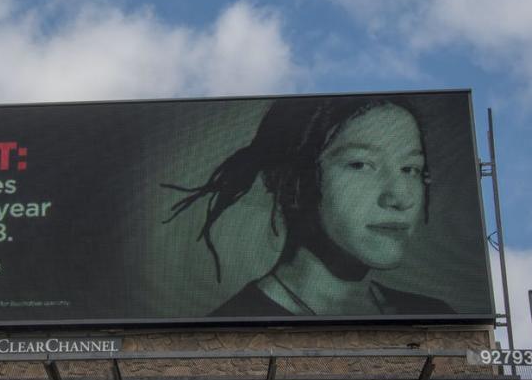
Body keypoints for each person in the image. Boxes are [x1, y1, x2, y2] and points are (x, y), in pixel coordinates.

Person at [164, 95, 453, 316]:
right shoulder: (228, 336)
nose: (401, 196)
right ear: (288, 181)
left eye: (411, 169)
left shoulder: (435, 317)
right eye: (361, 164)